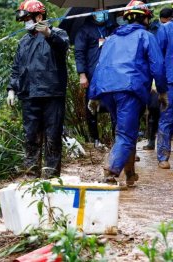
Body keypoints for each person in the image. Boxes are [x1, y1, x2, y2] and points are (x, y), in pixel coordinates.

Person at [88, 1, 168, 186]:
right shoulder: (146, 36)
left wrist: (93, 95)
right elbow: (157, 66)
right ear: (145, 18)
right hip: (129, 90)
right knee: (125, 133)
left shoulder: (111, 39)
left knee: (126, 130)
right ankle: (111, 171)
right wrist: (162, 92)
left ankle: (130, 174)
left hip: (108, 91)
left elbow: (99, 67)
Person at [7, 0, 69, 178]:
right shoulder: (24, 41)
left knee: (53, 137)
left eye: (27, 18)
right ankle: (31, 176)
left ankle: (51, 177)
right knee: (31, 137)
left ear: (39, 17)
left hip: (52, 94)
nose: (25, 22)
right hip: (29, 95)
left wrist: (49, 33)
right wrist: (11, 88)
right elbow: (16, 68)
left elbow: (62, 47)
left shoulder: (58, 33)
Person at [74, 9, 116, 148]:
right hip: (93, 75)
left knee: (115, 105)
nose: (101, 13)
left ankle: (117, 138)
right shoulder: (84, 30)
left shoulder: (113, 27)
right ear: (92, 13)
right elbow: (79, 53)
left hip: (112, 74)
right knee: (91, 106)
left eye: (103, 11)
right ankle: (95, 139)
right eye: (98, 11)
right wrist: (82, 74)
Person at [144, 7, 173, 151]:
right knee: (162, 113)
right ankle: (159, 149)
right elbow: (157, 57)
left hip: (164, 77)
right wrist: (155, 80)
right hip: (166, 78)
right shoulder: (163, 30)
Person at [156, 8, 173, 169]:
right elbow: (157, 56)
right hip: (170, 80)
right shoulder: (166, 29)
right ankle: (163, 156)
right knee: (167, 117)